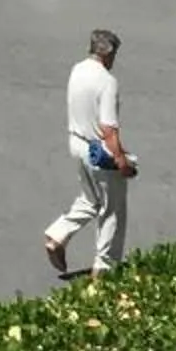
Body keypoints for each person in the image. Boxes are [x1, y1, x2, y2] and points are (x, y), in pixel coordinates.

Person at [44, 28, 135, 276]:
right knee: (112, 208)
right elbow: (108, 128)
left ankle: (58, 235)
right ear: (110, 54)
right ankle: (104, 267)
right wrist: (121, 160)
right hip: (99, 151)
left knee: (91, 198)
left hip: (76, 142)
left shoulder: (78, 69)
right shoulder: (107, 82)